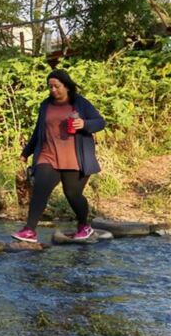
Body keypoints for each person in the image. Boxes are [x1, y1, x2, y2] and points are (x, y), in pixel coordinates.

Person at [13, 69, 106, 242]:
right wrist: (27, 152)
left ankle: (84, 226)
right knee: (40, 188)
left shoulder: (80, 103)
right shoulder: (45, 105)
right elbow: (38, 131)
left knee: (72, 194)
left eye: (57, 86)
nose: (53, 90)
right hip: (48, 155)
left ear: (67, 86)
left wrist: (84, 124)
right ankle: (29, 230)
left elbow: (100, 122)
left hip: (75, 158)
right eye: (50, 86)